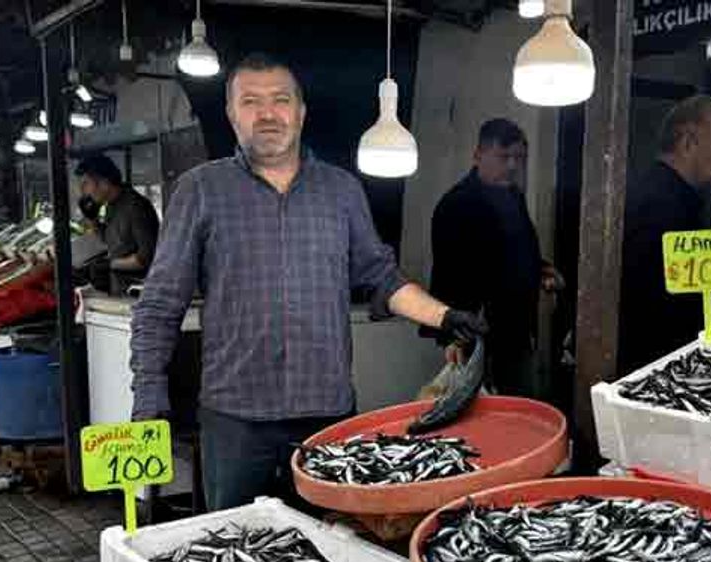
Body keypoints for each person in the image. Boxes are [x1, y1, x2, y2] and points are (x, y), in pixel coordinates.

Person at [129, 53, 486, 511]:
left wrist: (446, 317)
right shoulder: (200, 190)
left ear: (300, 111)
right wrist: (149, 394)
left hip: (326, 417)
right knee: (234, 539)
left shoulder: (341, 190)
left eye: (280, 100)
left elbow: (381, 276)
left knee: (331, 541)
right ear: (231, 114)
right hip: (235, 421)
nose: (267, 113)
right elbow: (160, 304)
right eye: (250, 101)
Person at [427, 119, 562, 398]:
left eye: (519, 158)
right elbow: (449, 276)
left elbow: (517, 251)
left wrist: (541, 270)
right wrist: (454, 338)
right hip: (475, 334)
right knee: (478, 411)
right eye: (503, 157)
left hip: (517, 330)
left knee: (520, 407)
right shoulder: (456, 204)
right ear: (478, 155)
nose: (512, 165)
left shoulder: (513, 197)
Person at [619, 95, 711, 375]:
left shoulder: (679, 198)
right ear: (687, 142)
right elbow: (656, 305)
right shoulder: (660, 204)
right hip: (658, 367)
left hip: (674, 363)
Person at [75, 154, 161, 295]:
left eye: (86, 184)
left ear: (104, 182)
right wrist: (92, 219)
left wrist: (110, 264)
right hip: (119, 289)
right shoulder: (112, 206)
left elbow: (146, 258)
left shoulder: (135, 207)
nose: (84, 191)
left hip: (138, 293)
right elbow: (109, 240)